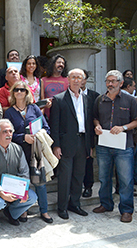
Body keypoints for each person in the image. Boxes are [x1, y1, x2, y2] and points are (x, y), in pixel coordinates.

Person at [4, 81, 53, 223]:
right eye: (16, 90)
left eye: (22, 90)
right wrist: (23, 138)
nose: (19, 92)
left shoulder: (34, 108)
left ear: (27, 93)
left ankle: (44, 211)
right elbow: (7, 135)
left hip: (35, 151)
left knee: (40, 181)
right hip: (19, 151)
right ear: (13, 93)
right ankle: (23, 210)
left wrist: (40, 133)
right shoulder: (10, 112)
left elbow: (46, 127)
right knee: (22, 181)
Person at [93, 70, 137, 223]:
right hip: (104, 145)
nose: (110, 84)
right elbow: (95, 118)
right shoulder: (100, 99)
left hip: (124, 146)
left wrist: (123, 127)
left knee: (126, 179)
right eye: (108, 81)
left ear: (121, 83)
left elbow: (136, 121)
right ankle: (106, 204)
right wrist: (97, 126)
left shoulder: (130, 100)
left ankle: (126, 210)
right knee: (104, 177)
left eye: (113, 81)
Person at [50, 68, 93, 220]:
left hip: (83, 142)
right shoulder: (59, 99)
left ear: (83, 80)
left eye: (79, 77)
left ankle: (74, 203)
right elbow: (54, 125)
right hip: (66, 143)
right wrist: (56, 145)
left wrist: (90, 146)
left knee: (78, 175)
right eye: (73, 77)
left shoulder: (87, 99)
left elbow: (89, 123)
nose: (76, 80)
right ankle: (62, 207)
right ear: (68, 79)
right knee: (65, 177)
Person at [0, 119, 38, 227]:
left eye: (10, 131)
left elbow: (24, 172)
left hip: (14, 187)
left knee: (32, 197)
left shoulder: (18, 149)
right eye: (5, 132)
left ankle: (12, 214)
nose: (9, 134)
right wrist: (2, 193)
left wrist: (24, 191)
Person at [81, 70, 100, 198]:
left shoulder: (95, 96)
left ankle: (88, 187)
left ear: (86, 79)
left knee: (88, 161)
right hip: (74, 135)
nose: (79, 81)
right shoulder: (67, 96)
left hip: (89, 134)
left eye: (82, 78)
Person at [41, 54, 69, 119]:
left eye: (63, 63)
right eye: (59, 62)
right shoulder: (43, 80)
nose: (61, 64)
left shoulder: (67, 80)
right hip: (47, 115)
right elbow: (41, 98)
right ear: (53, 64)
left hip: (62, 114)